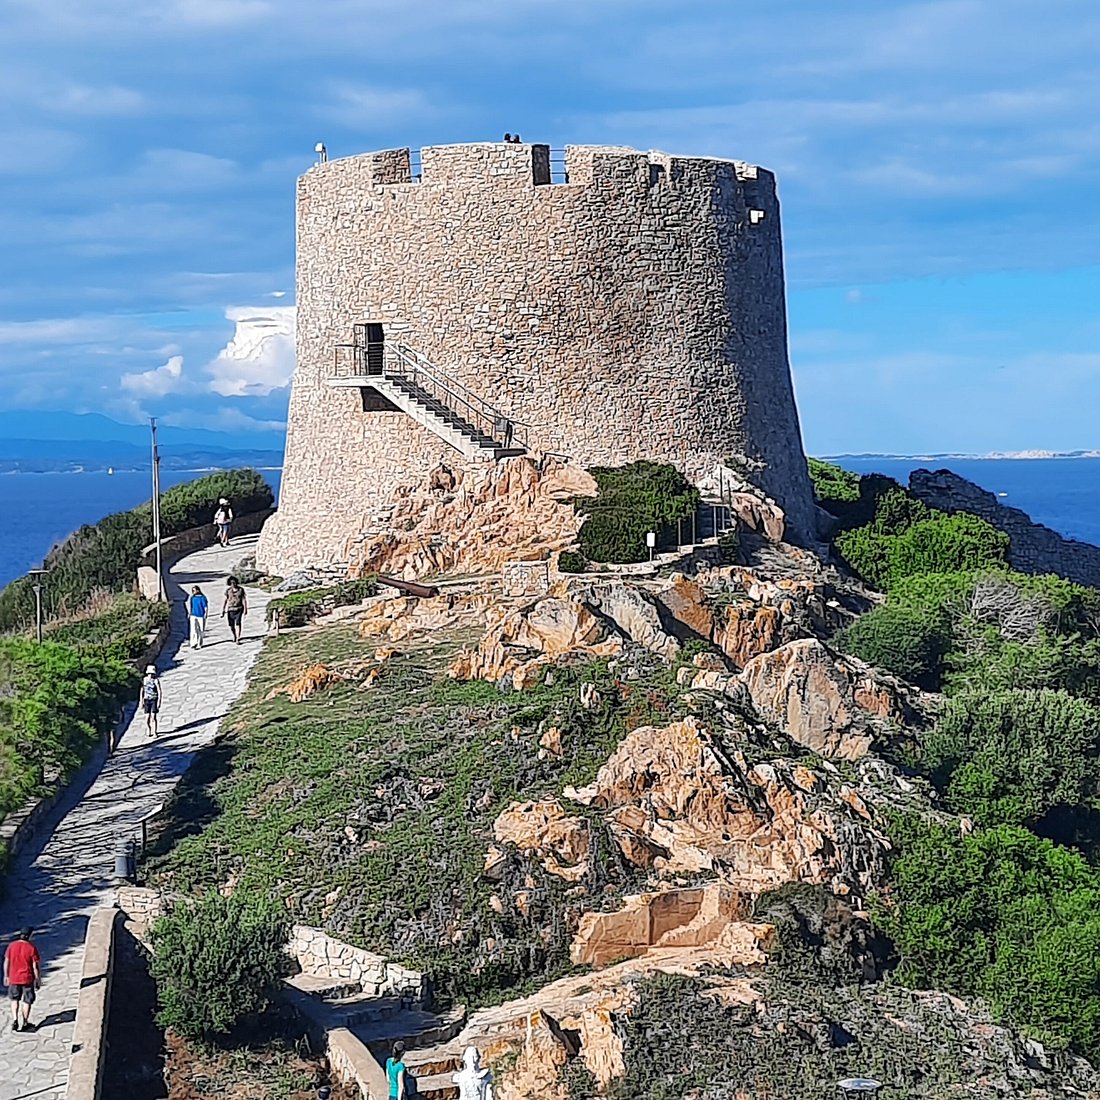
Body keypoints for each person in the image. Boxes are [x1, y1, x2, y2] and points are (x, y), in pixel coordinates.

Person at [4, 928, 41, 1033]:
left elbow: (6, 962)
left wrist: (6, 976)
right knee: (27, 1000)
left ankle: (15, 1020)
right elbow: (35, 966)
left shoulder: (12, 946)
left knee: (14, 999)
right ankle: (25, 1022)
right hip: (27, 978)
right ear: (30, 936)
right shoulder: (31, 948)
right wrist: (37, 979)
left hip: (14, 978)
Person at [222, 576, 248, 645]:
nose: (233, 584)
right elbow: (226, 600)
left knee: (238, 623)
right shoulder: (228, 591)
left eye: (234, 582)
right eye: (231, 583)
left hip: (239, 608)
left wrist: (245, 609)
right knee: (231, 625)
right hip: (230, 609)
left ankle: (238, 638)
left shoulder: (241, 590)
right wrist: (223, 609)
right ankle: (234, 635)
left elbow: (244, 599)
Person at [140, 665, 162, 738]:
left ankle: (154, 732)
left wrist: (159, 702)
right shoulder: (144, 680)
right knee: (147, 717)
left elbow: (159, 691)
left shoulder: (155, 680)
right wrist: (141, 701)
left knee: (153, 717)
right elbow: (142, 690)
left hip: (153, 699)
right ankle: (148, 729)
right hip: (146, 699)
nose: (151, 675)